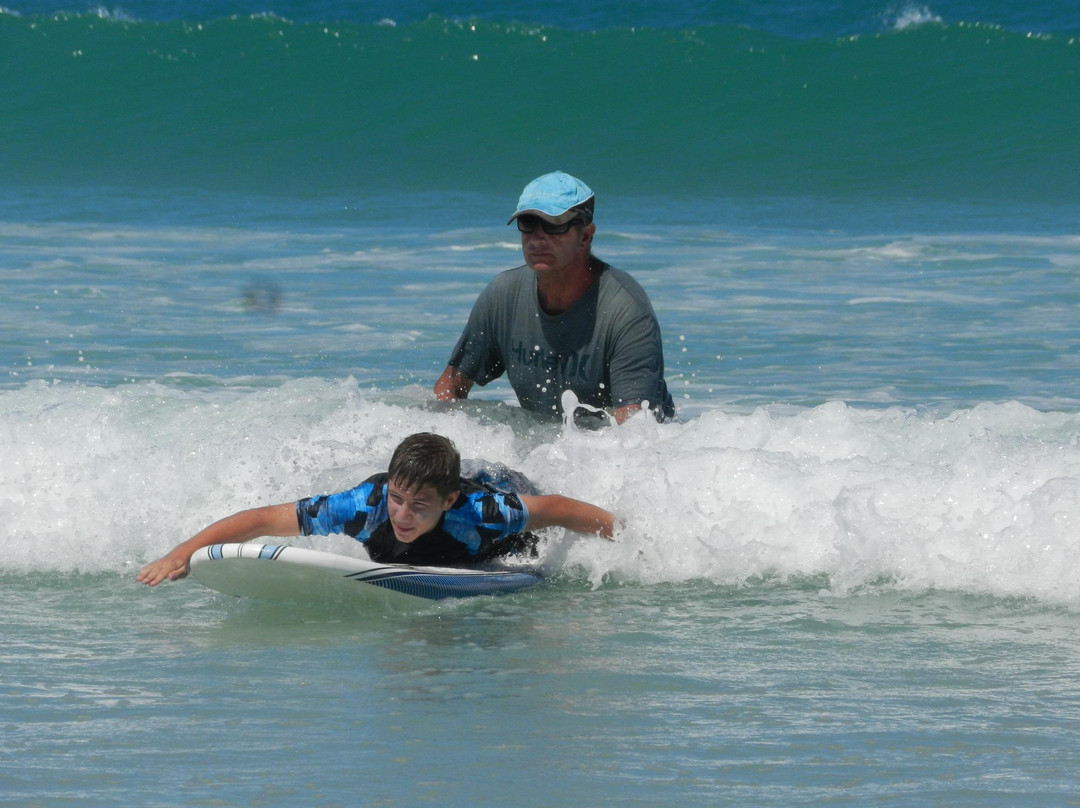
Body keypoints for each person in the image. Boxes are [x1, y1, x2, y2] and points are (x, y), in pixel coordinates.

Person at [136, 432, 615, 586]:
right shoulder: (363, 508)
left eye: (418, 506)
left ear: (447, 502)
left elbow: (557, 508)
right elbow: (262, 520)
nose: (402, 515)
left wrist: (628, 536)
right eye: (397, 499)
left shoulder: (483, 511)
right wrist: (182, 553)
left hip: (499, 486)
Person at [434, 171, 676, 425]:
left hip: (634, 447)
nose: (538, 238)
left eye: (554, 225)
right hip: (547, 445)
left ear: (585, 236)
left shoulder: (626, 311)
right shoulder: (502, 297)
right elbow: (449, 387)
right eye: (528, 223)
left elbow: (635, 432)